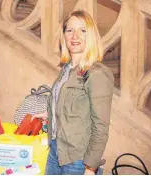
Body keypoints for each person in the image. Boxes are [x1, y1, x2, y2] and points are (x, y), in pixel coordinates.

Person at [38, 10, 114, 175]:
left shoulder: (97, 73)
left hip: (79, 160)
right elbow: (71, 105)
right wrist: (51, 113)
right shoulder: (67, 68)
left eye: (82, 30)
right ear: (64, 36)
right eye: (69, 30)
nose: (74, 36)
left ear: (91, 36)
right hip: (55, 151)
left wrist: (90, 167)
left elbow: (100, 126)